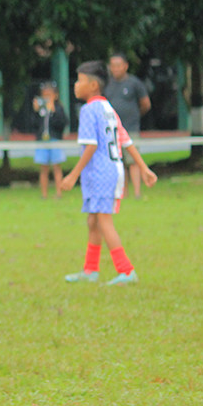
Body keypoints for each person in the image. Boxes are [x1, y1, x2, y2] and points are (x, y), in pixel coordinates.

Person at [60, 61, 158, 285]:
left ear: (93, 85)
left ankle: (126, 271)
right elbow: (125, 140)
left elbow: (91, 146)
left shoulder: (88, 110)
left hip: (101, 173)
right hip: (111, 171)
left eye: (79, 80)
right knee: (93, 220)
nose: (75, 85)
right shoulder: (107, 108)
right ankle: (90, 270)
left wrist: (73, 174)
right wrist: (143, 168)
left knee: (104, 221)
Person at [105, 53, 151, 198]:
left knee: (133, 161)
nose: (116, 69)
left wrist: (134, 115)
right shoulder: (107, 84)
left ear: (125, 66)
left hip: (130, 128)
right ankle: (122, 193)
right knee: (119, 162)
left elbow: (145, 104)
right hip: (113, 130)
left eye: (118, 65)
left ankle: (137, 193)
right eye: (113, 66)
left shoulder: (134, 83)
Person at [32, 81, 67, 199]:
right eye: (44, 95)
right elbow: (34, 124)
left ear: (55, 95)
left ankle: (59, 192)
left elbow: (62, 123)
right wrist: (36, 111)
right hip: (42, 141)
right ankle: (44, 194)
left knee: (56, 167)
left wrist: (53, 111)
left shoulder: (58, 108)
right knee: (43, 168)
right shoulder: (41, 110)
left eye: (49, 95)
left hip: (54, 140)